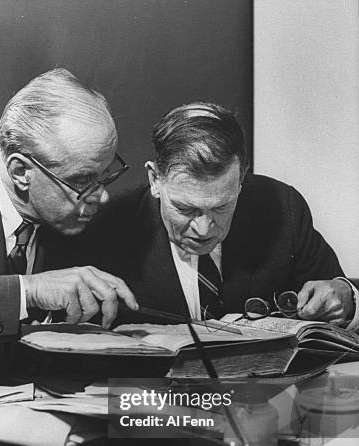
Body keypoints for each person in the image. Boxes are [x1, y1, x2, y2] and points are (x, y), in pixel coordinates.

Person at [83, 102, 358, 328]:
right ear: (155, 179)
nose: (203, 229)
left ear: (240, 180)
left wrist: (348, 300)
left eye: (220, 207)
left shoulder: (283, 208)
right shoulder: (107, 226)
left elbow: (334, 297)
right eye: (185, 209)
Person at [0, 68, 138, 376]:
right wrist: (30, 290)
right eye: (82, 180)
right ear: (21, 171)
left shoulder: (89, 223)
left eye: (106, 176)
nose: (102, 198)